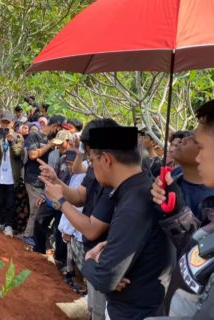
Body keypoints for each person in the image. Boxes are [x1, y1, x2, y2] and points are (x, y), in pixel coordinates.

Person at [43, 125, 173, 320]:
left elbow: (106, 278)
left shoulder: (133, 204)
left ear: (105, 159)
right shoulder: (139, 189)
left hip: (132, 311)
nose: (91, 167)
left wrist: (89, 260)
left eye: (92, 160)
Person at [151, 100, 214, 318]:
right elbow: (195, 253)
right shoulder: (174, 180)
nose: (198, 157)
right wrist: (173, 210)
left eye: (201, 146)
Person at [21, 115, 66, 245]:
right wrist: (49, 145)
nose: (59, 131)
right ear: (54, 125)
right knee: (36, 208)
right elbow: (32, 155)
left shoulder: (53, 138)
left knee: (40, 208)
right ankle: (29, 235)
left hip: (46, 181)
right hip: (33, 178)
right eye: (59, 128)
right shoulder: (34, 136)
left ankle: (34, 236)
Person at [0, 112, 24, 237]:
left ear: (13, 123)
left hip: (11, 176)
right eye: (3, 122)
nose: (5, 124)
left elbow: (17, 153)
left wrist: (10, 142)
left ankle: (8, 224)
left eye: (7, 122)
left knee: (10, 202)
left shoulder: (18, 137)